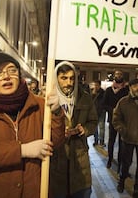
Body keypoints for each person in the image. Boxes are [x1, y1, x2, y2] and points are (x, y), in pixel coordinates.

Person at [0, 51, 65, 198]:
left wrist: (57, 113)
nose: (6, 76)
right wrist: (22, 150)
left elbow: (55, 143)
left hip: (32, 190)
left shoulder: (39, 104)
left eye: (12, 70)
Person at [49, 61, 98, 198]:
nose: (68, 82)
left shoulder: (85, 98)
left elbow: (93, 121)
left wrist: (85, 129)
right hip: (56, 157)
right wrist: (56, 132)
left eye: (72, 78)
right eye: (64, 78)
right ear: (56, 78)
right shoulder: (46, 100)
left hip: (79, 155)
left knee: (80, 191)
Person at [102, 70, 129, 170]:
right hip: (112, 119)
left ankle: (120, 162)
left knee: (122, 142)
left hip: (123, 120)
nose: (118, 76)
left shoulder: (126, 90)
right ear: (114, 76)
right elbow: (104, 104)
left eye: (120, 74)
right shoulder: (109, 90)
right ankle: (110, 159)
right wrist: (112, 110)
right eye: (117, 74)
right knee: (111, 141)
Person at [91, 80, 106, 147]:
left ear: (100, 85)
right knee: (95, 128)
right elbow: (90, 101)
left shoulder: (103, 93)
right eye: (95, 85)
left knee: (101, 128)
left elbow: (104, 102)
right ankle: (96, 141)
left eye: (97, 85)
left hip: (101, 112)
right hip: (94, 112)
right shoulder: (92, 92)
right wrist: (93, 94)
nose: (96, 86)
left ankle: (102, 142)